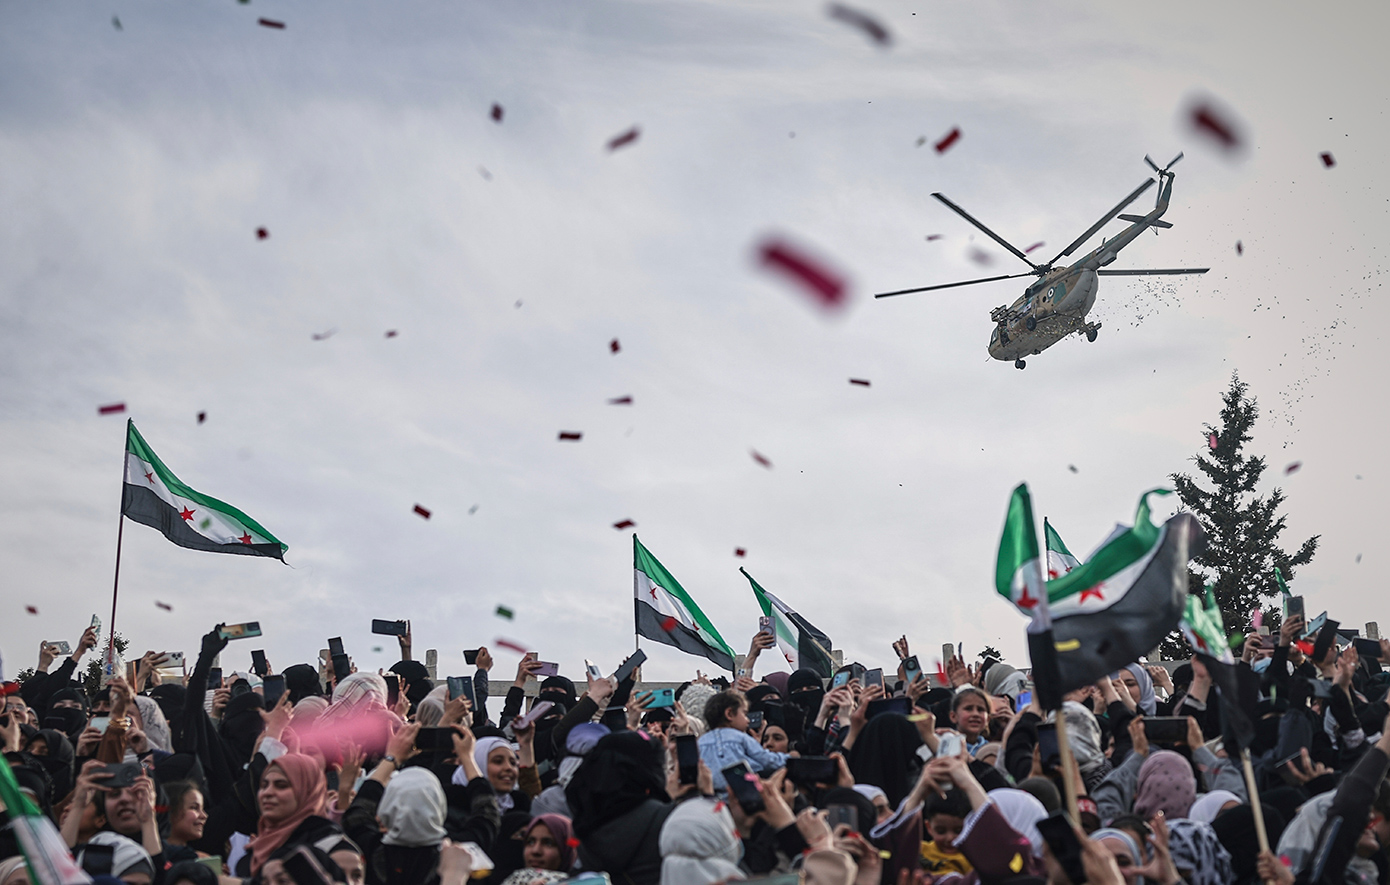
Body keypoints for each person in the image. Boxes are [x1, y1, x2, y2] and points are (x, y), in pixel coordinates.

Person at [697, 690, 789, 792]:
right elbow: (765, 759)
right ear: (730, 714)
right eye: (744, 714)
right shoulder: (741, 738)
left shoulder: (701, 742)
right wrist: (789, 759)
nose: (748, 720)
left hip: (710, 794)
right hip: (741, 793)